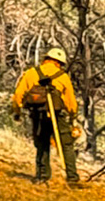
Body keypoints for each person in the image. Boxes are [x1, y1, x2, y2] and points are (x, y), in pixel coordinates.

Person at [10, 46, 80, 184]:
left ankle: (42, 176)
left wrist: (17, 111)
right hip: (57, 115)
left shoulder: (31, 73)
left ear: (46, 59)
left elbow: (18, 95)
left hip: (37, 115)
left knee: (42, 145)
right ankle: (72, 177)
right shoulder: (63, 76)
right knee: (66, 144)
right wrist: (73, 117)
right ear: (59, 63)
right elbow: (70, 101)